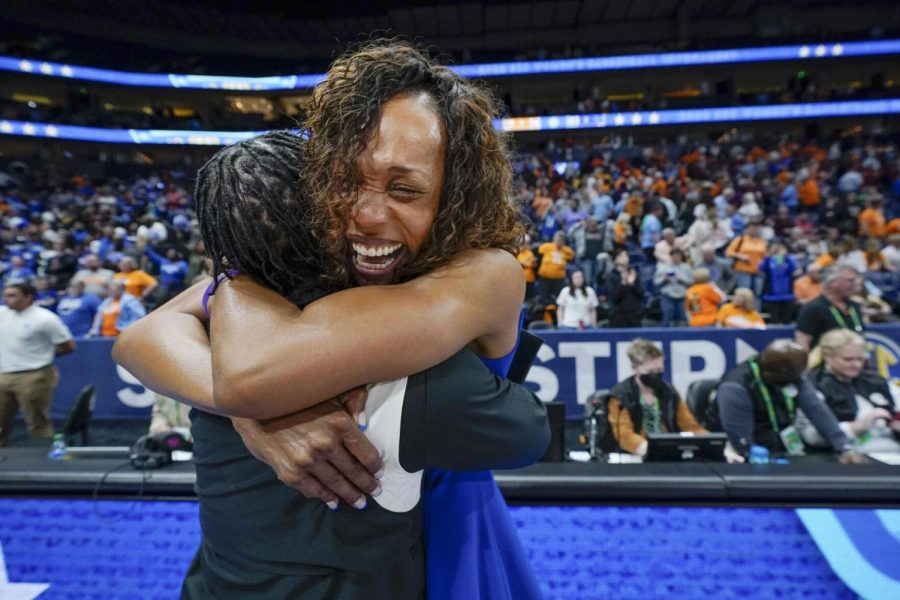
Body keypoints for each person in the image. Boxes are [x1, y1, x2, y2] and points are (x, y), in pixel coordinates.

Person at [114, 42, 544, 600]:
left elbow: (250, 376)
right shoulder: (305, 263)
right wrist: (258, 417)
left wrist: (259, 402)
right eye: (346, 180)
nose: (364, 215)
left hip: (449, 533)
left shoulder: (485, 273)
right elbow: (142, 337)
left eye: (404, 189)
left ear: (454, 198)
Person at [705, 340, 855, 457]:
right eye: (795, 375)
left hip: (779, 446)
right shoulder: (736, 387)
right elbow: (740, 441)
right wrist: (752, 455)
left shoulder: (791, 374)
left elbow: (816, 408)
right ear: (781, 373)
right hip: (735, 451)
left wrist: (844, 447)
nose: (799, 380)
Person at [0, 281, 76, 447]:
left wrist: (43, 357)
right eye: (5, 295)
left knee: (37, 420)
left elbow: (68, 345)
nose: (7, 299)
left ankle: (42, 456)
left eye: (12, 295)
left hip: (34, 374)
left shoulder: (45, 319)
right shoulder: (2, 314)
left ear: (29, 297)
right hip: (3, 374)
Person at [802, 330, 900, 453]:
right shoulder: (812, 386)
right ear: (827, 357)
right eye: (848, 360)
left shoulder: (876, 380)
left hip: (891, 448)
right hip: (844, 454)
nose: (857, 365)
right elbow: (810, 435)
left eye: (860, 359)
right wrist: (857, 427)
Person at [606, 339, 708, 456]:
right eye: (650, 371)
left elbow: (690, 426)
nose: (655, 375)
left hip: (670, 452)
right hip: (633, 456)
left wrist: (713, 444)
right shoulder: (620, 396)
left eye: (659, 370)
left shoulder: (670, 392)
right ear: (635, 368)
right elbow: (624, 436)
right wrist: (651, 450)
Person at [795, 265, 864, 350]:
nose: (855, 284)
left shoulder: (855, 306)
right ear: (832, 282)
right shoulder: (813, 308)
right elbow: (803, 341)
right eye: (850, 281)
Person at [759, 242, 800, 324]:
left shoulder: (789, 259)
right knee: (774, 320)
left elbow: (794, 269)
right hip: (772, 296)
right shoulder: (769, 260)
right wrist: (768, 256)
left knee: (787, 320)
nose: (778, 250)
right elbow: (761, 268)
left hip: (787, 295)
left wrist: (786, 256)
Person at [725, 221, 767, 298]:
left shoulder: (762, 241)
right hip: (743, 271)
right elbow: (728, 252)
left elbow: (766, 255)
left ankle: (755, 309)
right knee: (744, 294)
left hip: (758, 272)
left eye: (755, 228)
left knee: (758, 294)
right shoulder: (740, 240)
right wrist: (740, 256)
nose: (753, 230)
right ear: (746, 229)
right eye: (751, 228)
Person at [653, 248, 692, 327]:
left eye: (678, 256)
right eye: (674, 256)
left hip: (682, 297)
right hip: (667, 296)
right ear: (671, 257)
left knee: (683, 318)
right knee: (667, 316)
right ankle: (664, 337)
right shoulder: (663, 267)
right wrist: (665, 279)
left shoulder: (687, 268)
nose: (676, 258)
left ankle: (683, 337)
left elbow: (692, 282)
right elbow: (656, 282)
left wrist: (681, 279)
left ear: (681, 257)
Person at [605, 248, 642, 327]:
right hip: (618, 315)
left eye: (626, 255)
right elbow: (614, 298)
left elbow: (641, 294)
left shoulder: (633, 274)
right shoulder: (611, 276)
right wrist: (623, 283)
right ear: (615, 260)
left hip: (634, 314)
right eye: (622, 255)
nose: (626, 257)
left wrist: (632, 284)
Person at [537, 230, 575, 304]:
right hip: (545, 277)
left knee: (558, 299)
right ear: (554, 239)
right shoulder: (546, 246)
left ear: (564, 241)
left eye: (561, 240)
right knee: (543, 298)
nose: (559, 241)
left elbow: (571, 258)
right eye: (557, 239)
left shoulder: (567, 250)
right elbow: (539, 256)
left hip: (559, 279)